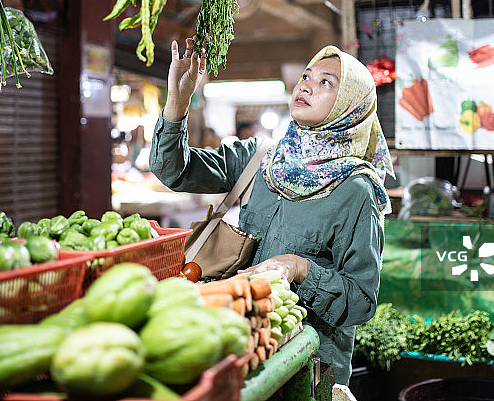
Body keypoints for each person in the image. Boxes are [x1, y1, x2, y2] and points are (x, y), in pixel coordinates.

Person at [149, 37, 394, 385]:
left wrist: (300, 267)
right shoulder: (260, 157)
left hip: (308, 368)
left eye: (326, 82)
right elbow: (172, 169)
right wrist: (177, 101)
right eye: (307, 76)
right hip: (244, 352)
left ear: (351, 105)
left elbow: (361, 302)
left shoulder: (357, 190)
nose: (307, 86)